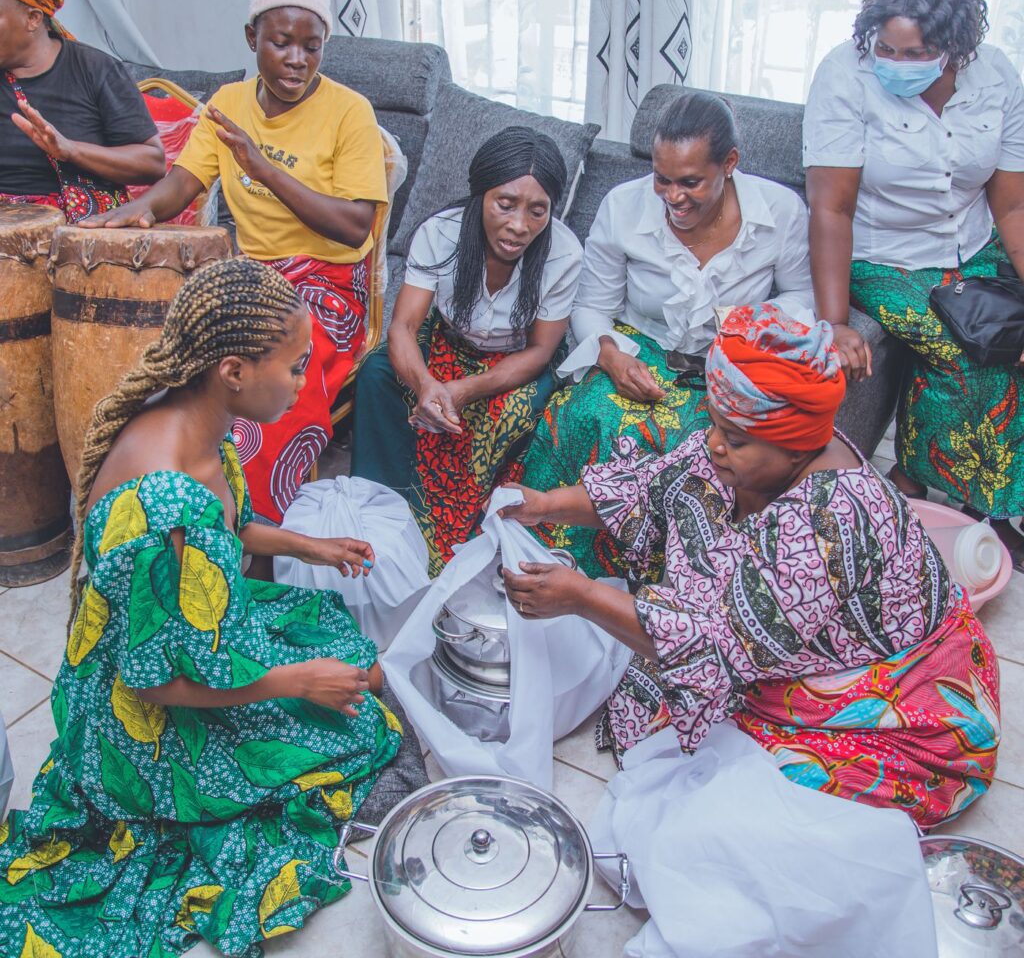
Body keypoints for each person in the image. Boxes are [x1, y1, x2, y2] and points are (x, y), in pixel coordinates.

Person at [0, 259, 407, 957]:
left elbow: (230, 529)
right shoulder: (163, 505)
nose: (306, 384)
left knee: (343, 650)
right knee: (357, 723)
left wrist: (311, 548)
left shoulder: (200, 423)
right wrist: (297, 681)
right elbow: (149, 683)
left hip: (192, 645)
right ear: (234, 369)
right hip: (147, 721)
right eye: (295, 367)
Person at [500, 303, 999, 829]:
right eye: (716, 424)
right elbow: (647, 491)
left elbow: (717, 649)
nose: (713, 444)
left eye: (733, 438)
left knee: (742, 807)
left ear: (797, 446)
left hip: (895, 712)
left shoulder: (828, 523)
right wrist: (543, 503)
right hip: (760, 653)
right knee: (658, 705)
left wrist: (581, 597)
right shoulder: (736, 450)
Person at [82, 0, 388, 525]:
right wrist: (131, 213)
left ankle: (244, 538)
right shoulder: (228, 103)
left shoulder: (351, 112)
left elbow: (355, 227)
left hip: (326, 287)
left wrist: (261, 165)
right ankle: (170, 518)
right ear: (253, 39)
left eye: (312, 46)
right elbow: (182, 184)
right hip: (251, 279)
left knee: (260, 395)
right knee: (177, 369)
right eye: (281, 43)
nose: (297, 59)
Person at [521, 91, 815, 578]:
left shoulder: (780, 212)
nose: (673, 197)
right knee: (585, 415)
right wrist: (610, 355)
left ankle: (663, 590)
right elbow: (592, 305)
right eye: (662, 179)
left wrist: (741, 326)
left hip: (732, 361)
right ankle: (556, 568)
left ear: (730, 164)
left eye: (691, 182)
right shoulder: (623, 206)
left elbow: (802, 300)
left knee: (705, 449)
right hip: (639, 348)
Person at [804, 0, 1024, 563]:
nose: (895, 64)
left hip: (974, 247)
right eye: (887, 49)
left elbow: (1011, 208)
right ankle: (965, 508)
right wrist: (835, 318)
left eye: (915, 54)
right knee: (968, 351)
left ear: (956, 46)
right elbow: (831, 210)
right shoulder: (845, 76)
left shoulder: (998, 77)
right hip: (885, 257)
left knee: (1017, 340)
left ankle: (949, 490)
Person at [351, 126, 581, 574]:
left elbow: (539, 351)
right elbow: (404, 326)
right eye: (505, 204)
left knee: (518, 411)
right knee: (378, 376)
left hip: (517, 361)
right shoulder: (440, 233)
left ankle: (484, 534)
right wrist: (426, 384)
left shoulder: (564, 254)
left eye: (538, 211)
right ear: (480, 196)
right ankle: (383, 513)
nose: (519, 226)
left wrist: (464, 390)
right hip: (446, 342)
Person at [0, 0, 164, 220]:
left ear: (33, 18)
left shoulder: (95, 69)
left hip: (80, 232)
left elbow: (152, 162)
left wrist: (70, 150)